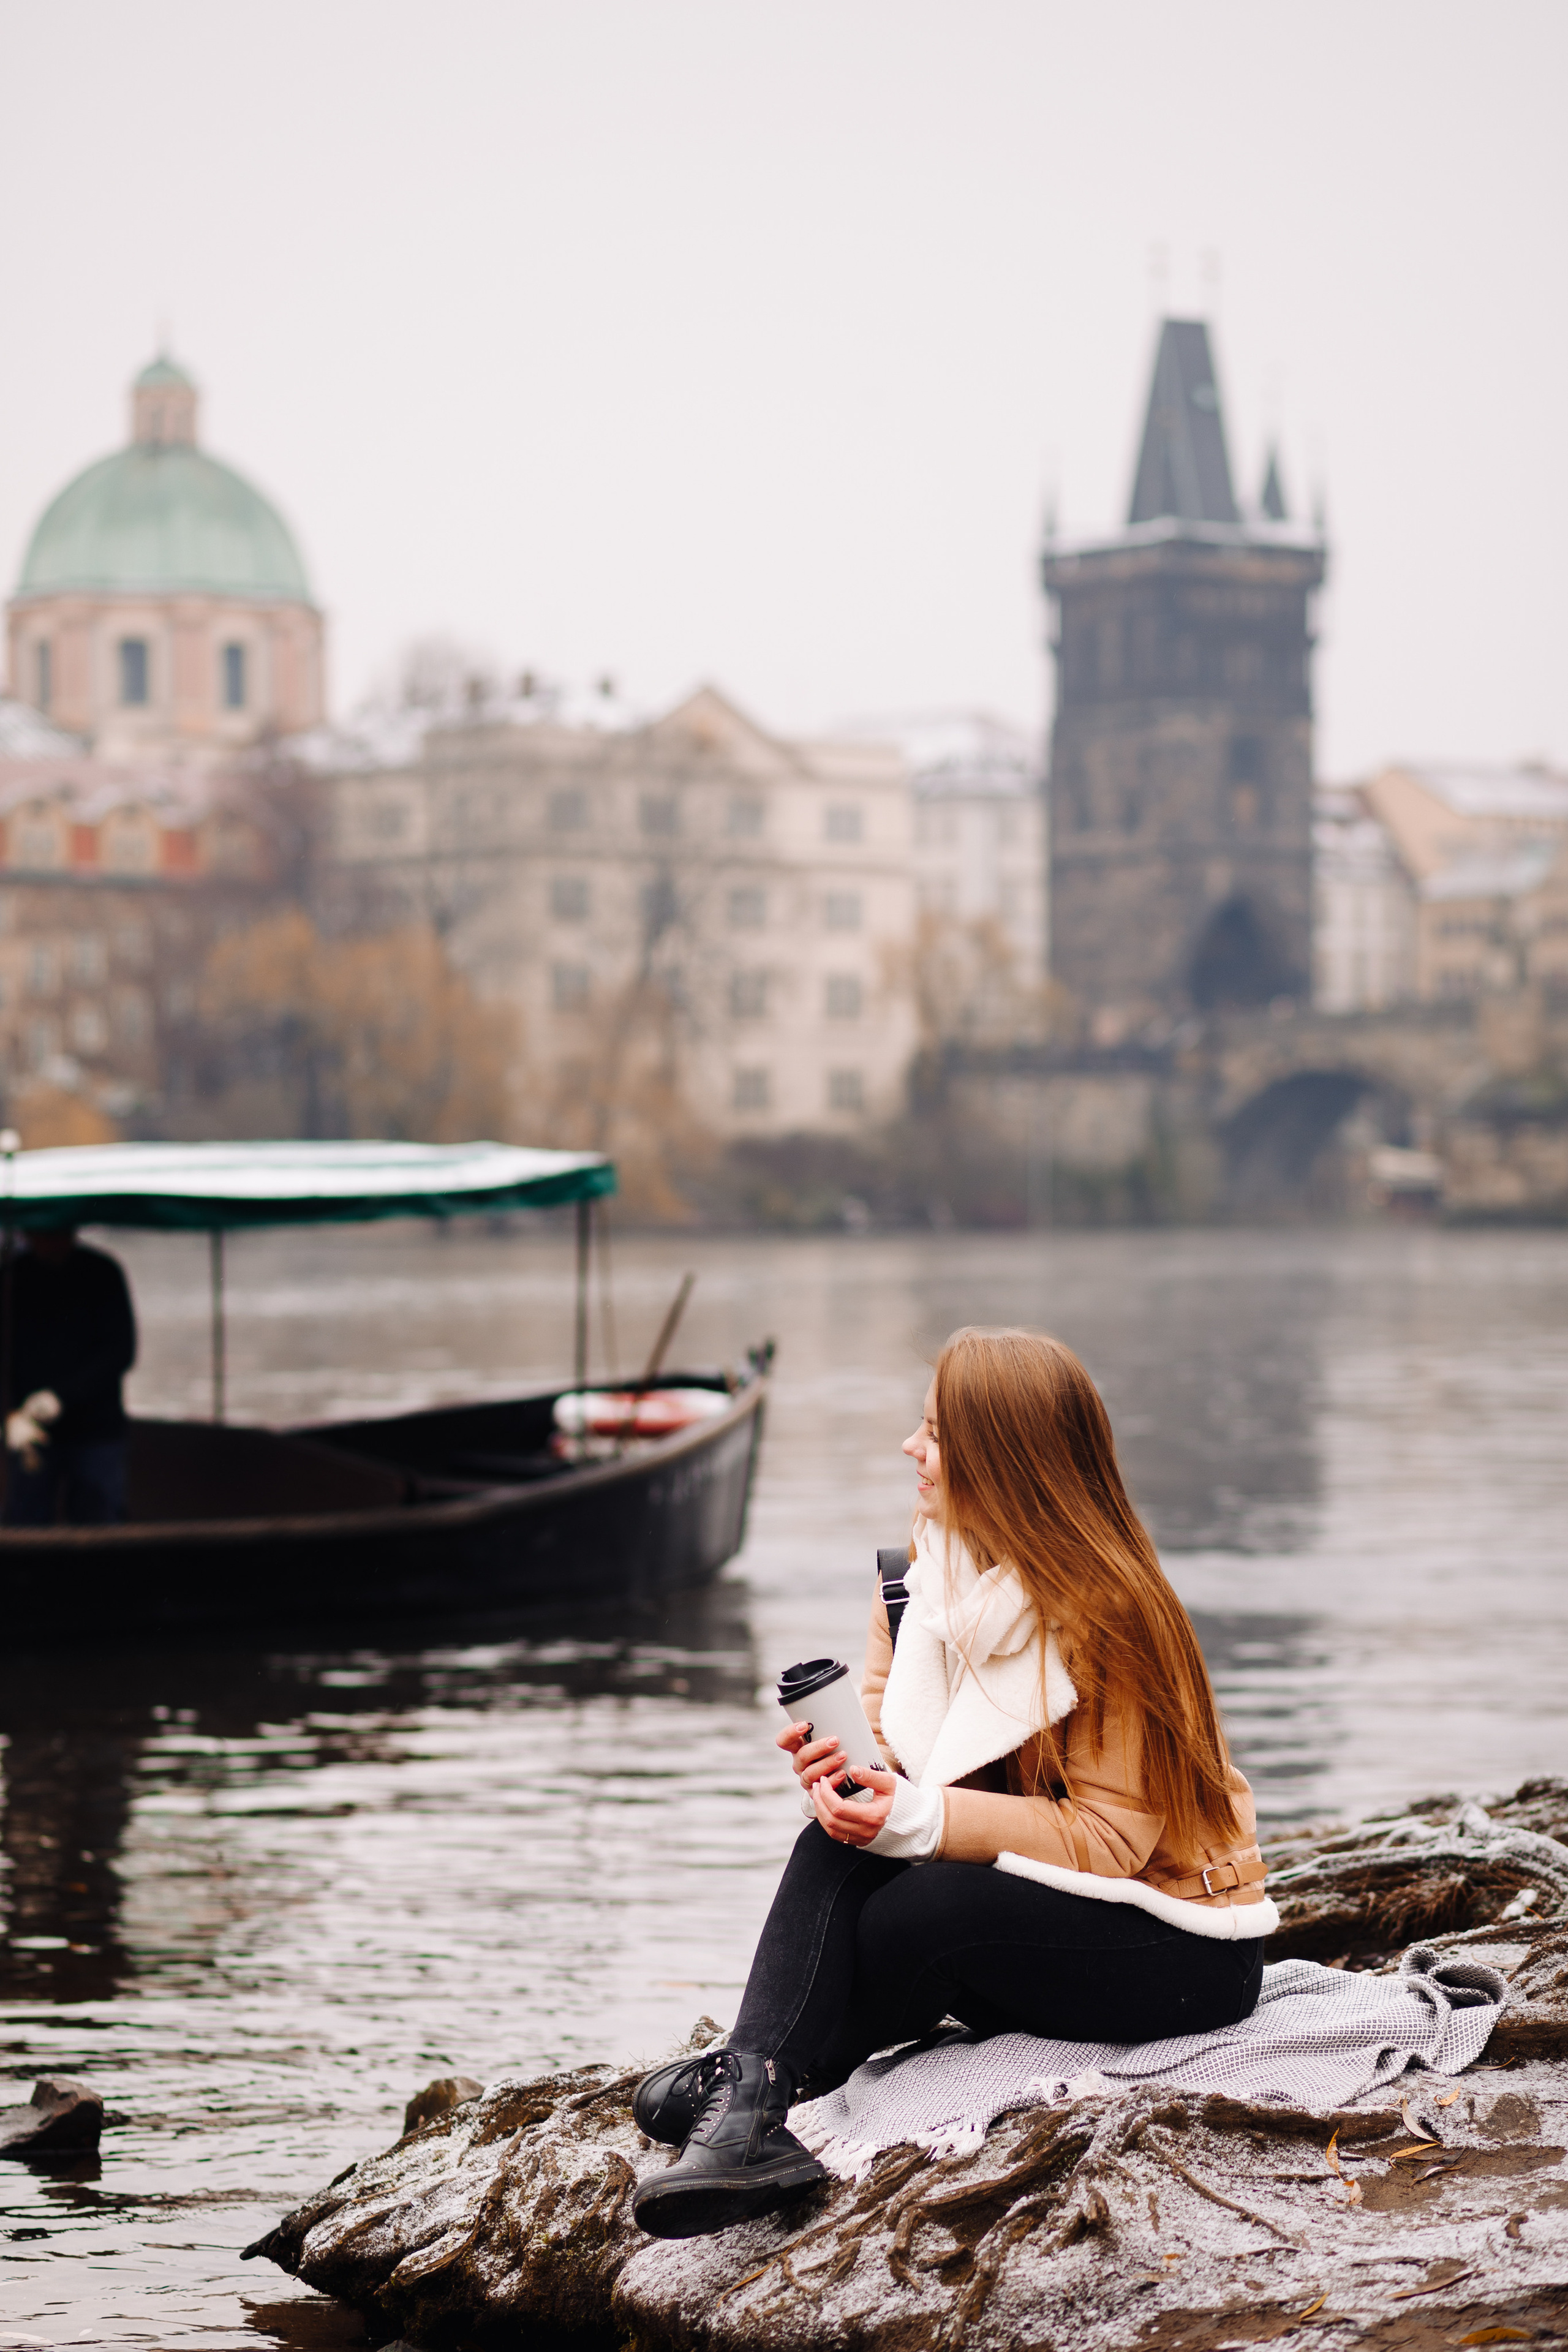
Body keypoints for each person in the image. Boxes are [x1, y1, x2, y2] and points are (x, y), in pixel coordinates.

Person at [630, 1325, 1273, 2241]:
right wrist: (854, 1786)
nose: (910, 1448)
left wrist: (918, 1816)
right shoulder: (917, 1583)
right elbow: (913, 1774)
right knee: (838, 1849)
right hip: (1033, 1908)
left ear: (1001, 1455)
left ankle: (750, 2077)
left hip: (1177, 1948)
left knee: (922, 1916)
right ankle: (754, 2095)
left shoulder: (1115, 1614)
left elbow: (1111, 1841)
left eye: (933, 1433)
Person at [3, 1228, 137, 1527]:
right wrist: (9, 1415)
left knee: (100, 1522)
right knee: (26, 1522)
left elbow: (120, 1351)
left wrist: (60, 1397)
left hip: (95, 1429)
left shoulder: (101, 1272)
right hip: (29, 1429)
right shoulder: (12, 1276)